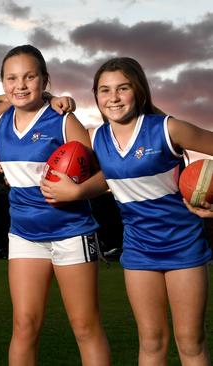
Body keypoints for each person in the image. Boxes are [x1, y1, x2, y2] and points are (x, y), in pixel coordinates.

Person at [42, 56, 211, 365]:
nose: (113, 98)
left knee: (190, 342)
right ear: (95, 96)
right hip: (138, 249)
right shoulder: (96, 139)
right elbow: (109, 177)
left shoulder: (167, 128)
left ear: (139, 91)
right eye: (104, 90)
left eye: (122, 88)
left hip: (184, 244)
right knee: (151, 342)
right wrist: (78, 190)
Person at [0, 45, 110, 365]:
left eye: (30, 76)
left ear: (44, 79)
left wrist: (76, 192)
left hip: (71, 232)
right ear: (2, 83)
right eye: (12, 78)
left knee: (84, 326)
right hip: (24, 236)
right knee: (24, 326)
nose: (20, 85)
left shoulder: (62, 119)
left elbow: (106, 175)